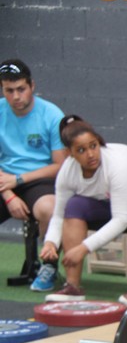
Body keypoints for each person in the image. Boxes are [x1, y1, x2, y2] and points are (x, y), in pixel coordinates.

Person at [40, 115, 127, 307]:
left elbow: (122, 219)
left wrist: (84, 247)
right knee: (74, 206)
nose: (90, 154)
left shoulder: (118, 164)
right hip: (109, 199)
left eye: (93, 146)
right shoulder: (67, 173)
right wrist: (50, 243)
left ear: (99, 142)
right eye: (81, 150)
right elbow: (59, 214)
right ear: (70, 153)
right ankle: (73, 287)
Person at [0, 59, 67, 291]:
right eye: (9, 90)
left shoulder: (51, 115)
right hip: (4, 180)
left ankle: (48, 265)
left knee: (49, 208)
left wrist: (18, 180)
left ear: (32, 86)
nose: (16, 96)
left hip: (40, 179)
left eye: (21, 89)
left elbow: (60, 164)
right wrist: (9, 194)